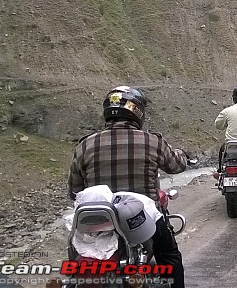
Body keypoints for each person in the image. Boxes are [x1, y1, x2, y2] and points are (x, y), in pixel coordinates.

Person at [68, 86, 187, 288]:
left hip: (97, 223)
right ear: (137, 112)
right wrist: (181, 152)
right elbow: (177, 166)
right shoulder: (152, 141)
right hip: (142, 219)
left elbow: (74, 191)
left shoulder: (85, 145)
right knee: (169, 255)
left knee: (75, 257)